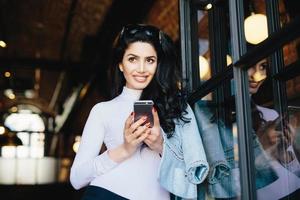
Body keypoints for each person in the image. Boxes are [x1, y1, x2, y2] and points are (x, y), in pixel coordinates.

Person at [70, 24, 208, 200]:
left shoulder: (178, 107)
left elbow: (195, 170)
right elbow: (77, 179)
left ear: (158, 63)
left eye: (149, 60)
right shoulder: (102, 110)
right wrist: (125, 149)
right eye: (133, 59)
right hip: (107, 194)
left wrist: (159, 144)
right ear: (120, 64)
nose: (141, 69)